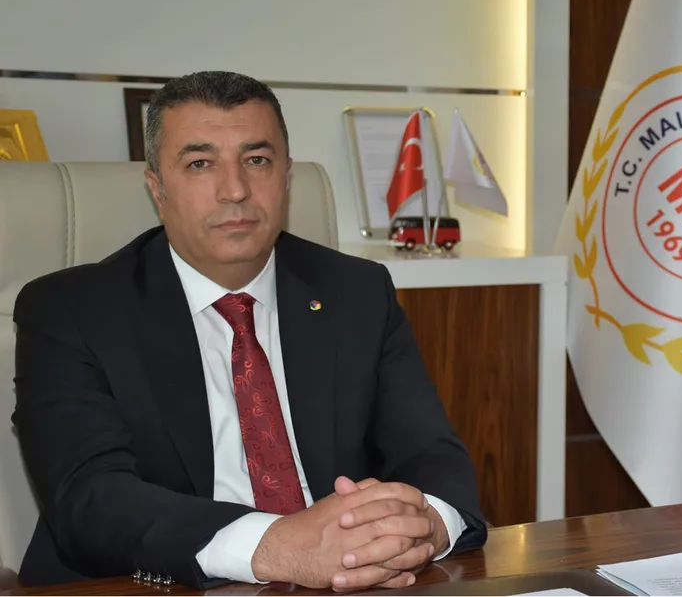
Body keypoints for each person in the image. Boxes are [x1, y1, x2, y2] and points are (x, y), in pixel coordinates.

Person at [12, 71, 486, 591]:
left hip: (347, 578)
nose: (235, 190)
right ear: (157, 188)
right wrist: (277, 546)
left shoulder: (357, 291)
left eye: (257, 160)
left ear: (286, 177)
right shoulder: (71, 310)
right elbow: (89, 499)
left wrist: (422, 527)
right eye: (200, 164)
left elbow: (430, 454)